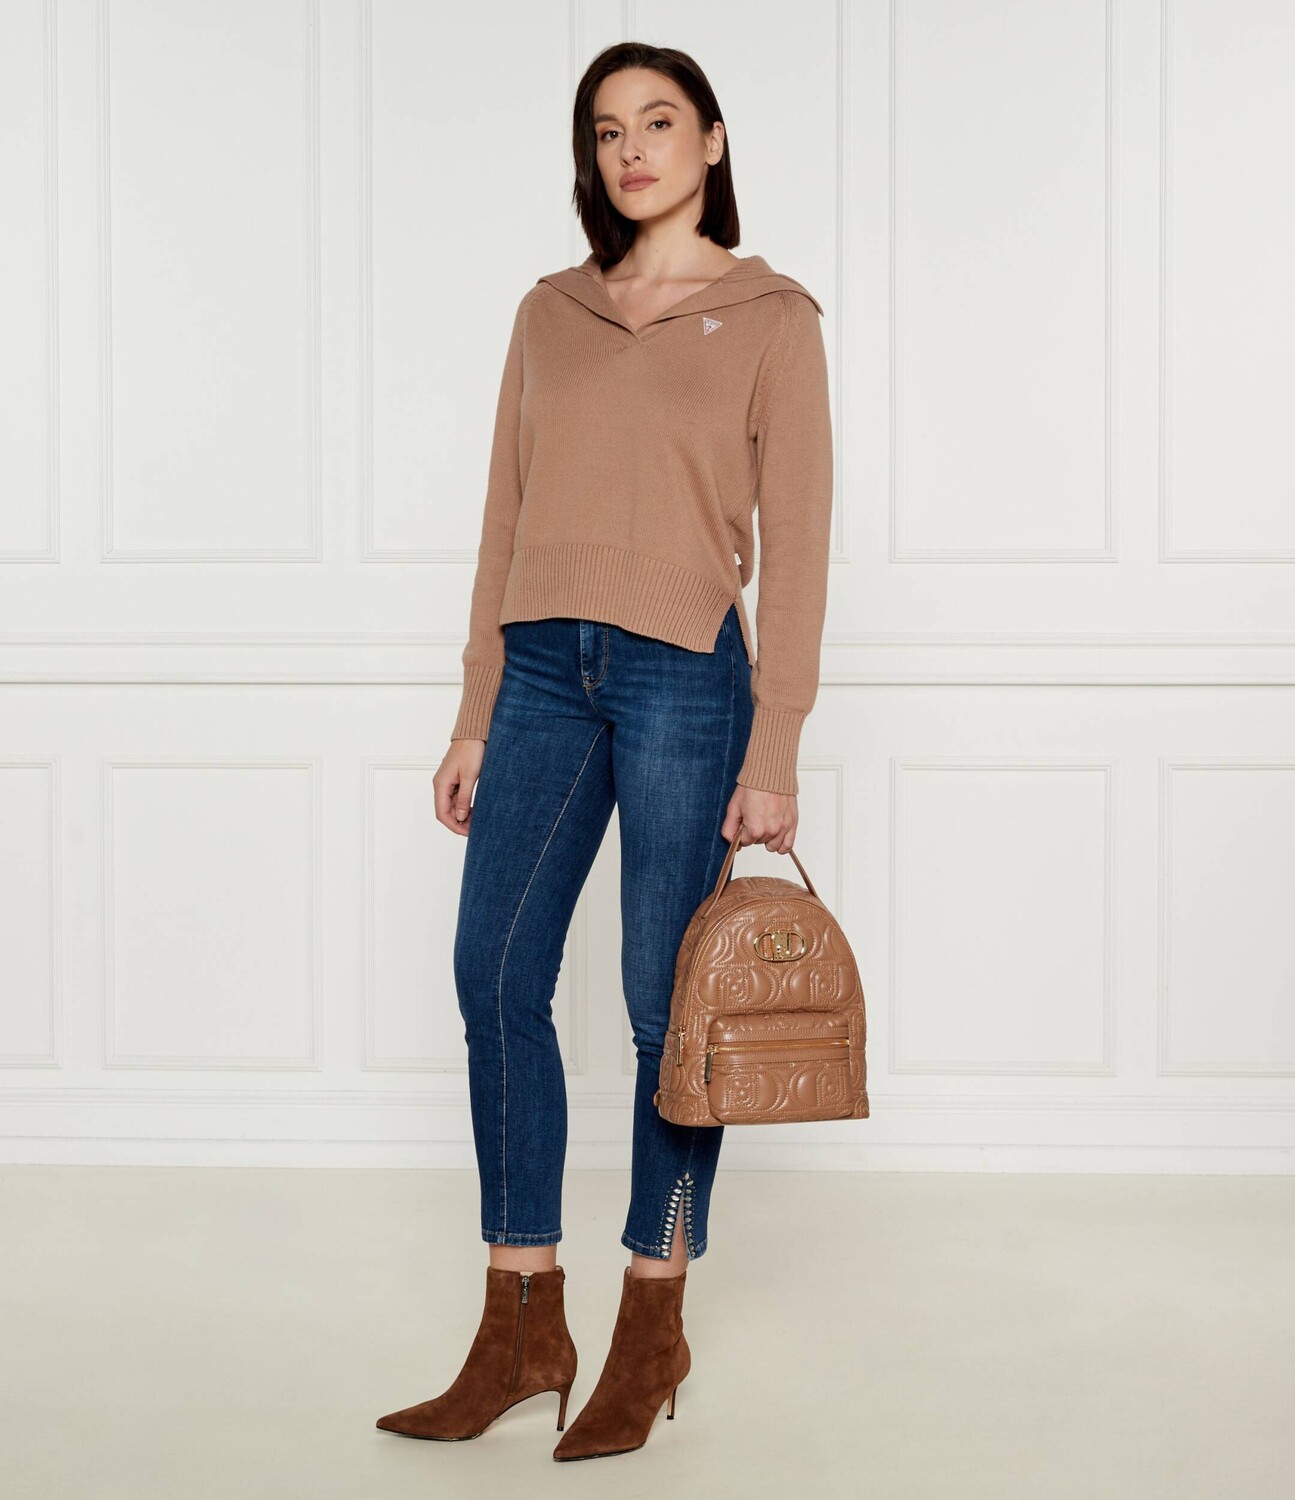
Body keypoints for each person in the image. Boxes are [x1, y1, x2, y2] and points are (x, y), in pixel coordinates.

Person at [376, 38, 833, 1462]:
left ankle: (652, 1313)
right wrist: (474, 710)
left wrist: (776, 745)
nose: (631, 149)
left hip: (688, 672)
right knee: (495, 973)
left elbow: (800, 546)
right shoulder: (551, 311)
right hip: (540, 675)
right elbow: (502, 517)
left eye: (658, 121)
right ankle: (523, 1321)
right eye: (607, 130)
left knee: (662, 1007)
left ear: (710, 141)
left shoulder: (772, 318)